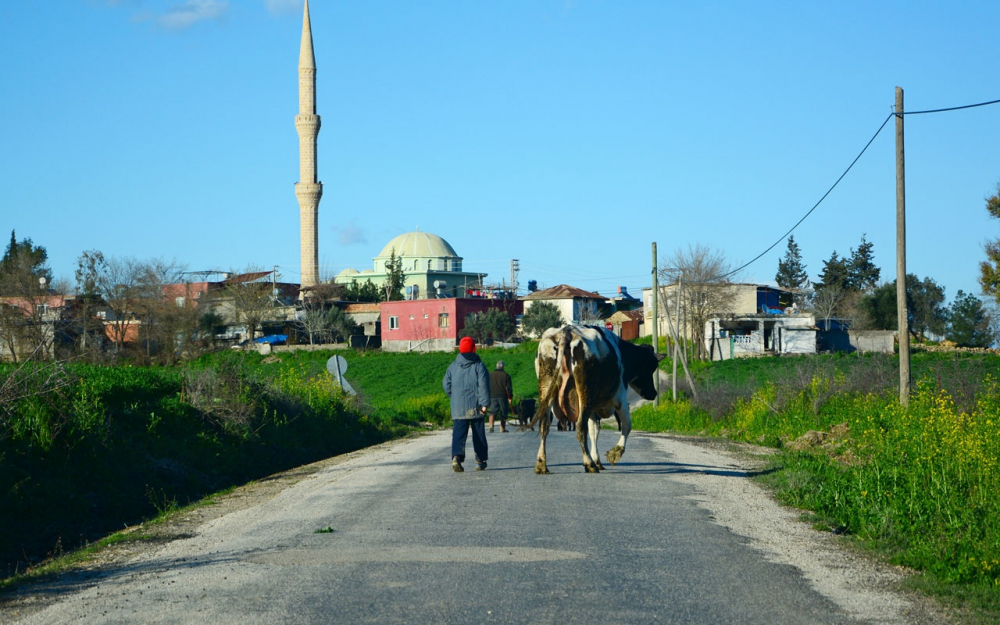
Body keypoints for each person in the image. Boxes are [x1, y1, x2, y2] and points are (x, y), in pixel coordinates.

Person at [443, 336, 490, 472]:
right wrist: (484, 404)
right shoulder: (479, 366)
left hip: (458, 407)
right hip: (476, 407)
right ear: (474, 348)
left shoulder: (453, 366)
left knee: (459, 433)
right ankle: (480, 460)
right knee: (479, 435)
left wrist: (455, 397)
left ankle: (456, 457)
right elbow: (483, 386)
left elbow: (446, 384)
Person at [488, 360, 513, 433]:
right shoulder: (506, 375)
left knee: (492, 412)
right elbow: (509, 388)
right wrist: (510, 397)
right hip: (503, 396)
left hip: (492, 396)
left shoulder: (490, 375)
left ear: (496, 366)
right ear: (503, 367)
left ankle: (491, 427)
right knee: (504, 412)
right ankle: (502, 428)